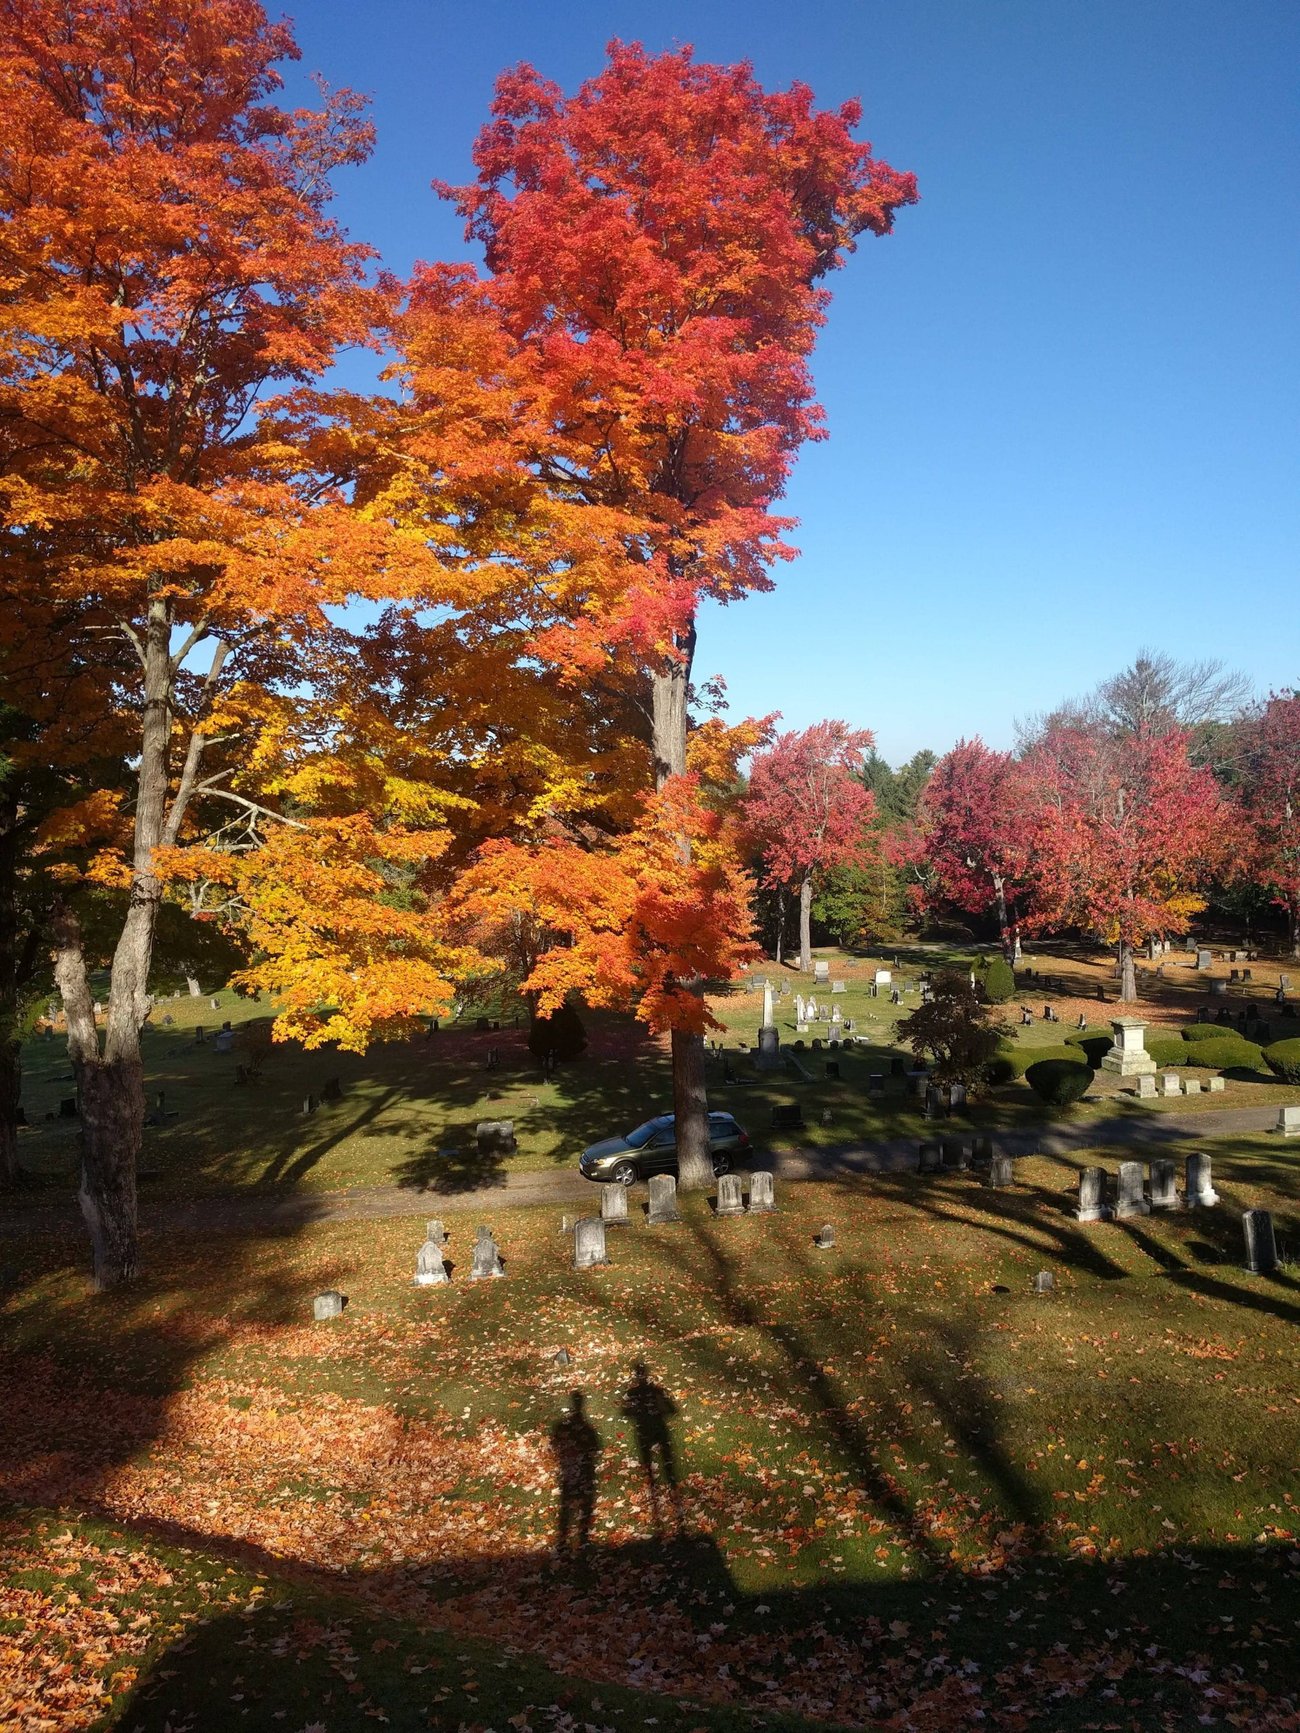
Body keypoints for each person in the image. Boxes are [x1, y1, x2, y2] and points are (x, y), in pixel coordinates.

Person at [621, 1361, 682, 1533]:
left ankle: (653, 1489)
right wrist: (659, 1411)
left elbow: (624, 1411)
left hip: (643, 1431)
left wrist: (637, 1412)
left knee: (648, 1464)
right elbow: (672, 1409)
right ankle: (671, 1486)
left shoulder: (631, 1393)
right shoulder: (657, 1390)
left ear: (635, 1375)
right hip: (658, 1428)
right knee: (667, 1463)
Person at [549, 1391, 600, 1553]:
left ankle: (563, 1540)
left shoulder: (562, 1427)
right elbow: (595, 1448)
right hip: (583, 1470)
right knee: (583, 1504)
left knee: (566, 1506)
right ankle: (581, 1539)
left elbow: (554, 1445)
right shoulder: (587, 1429)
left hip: (568, 1470)